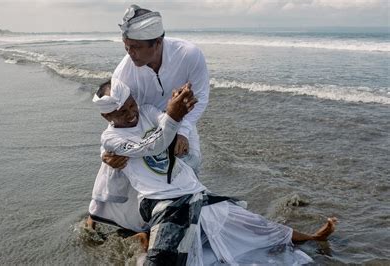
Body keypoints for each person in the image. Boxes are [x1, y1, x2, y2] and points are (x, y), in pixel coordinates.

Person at [89, 79, 337, 265]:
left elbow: (167, 122)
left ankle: (312, 238)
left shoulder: (146, 111)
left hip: (192, 190)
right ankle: (146, 239)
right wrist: (173, 117)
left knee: (251, 223)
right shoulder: (111, 138)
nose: (132, 113)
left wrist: (179, 109)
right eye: (122, 112)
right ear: (105, 115)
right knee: (163, 259)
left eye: (131, 104)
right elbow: (151, 145)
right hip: (159, 201)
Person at [88, 4, 210, 233]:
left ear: (157, 43)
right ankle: (110, 219)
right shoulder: (123, 73)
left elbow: (201, 97)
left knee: (188, 170)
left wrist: (182, 131)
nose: (129, 53)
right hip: (138, 130)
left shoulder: (189, 54)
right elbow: (115, 119)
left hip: (181, 124)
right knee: (131, 174)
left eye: (135, 47)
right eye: (126, 47)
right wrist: (106, 154)